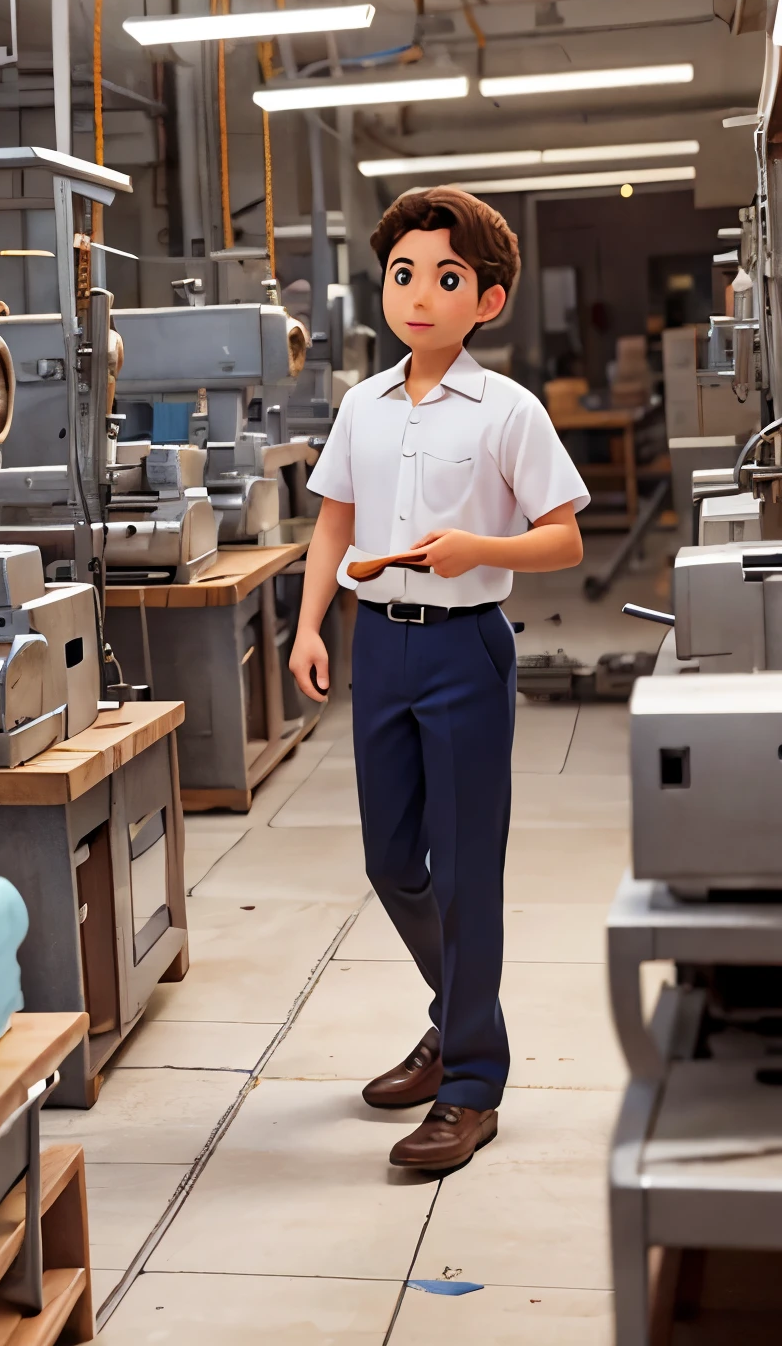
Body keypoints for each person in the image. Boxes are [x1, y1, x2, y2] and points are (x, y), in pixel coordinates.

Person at [289, 187, 589, 1173]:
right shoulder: (361, 406)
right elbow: (333, 522)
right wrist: (309, 628)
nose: (419, 295)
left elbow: (563, 539)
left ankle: (469, 1083)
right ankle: (459, 1015)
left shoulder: (508, 411)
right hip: (381, 646)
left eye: (446, 278)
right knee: (391, 863)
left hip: (466, 649)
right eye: (405, 274)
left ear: (487, 302)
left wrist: (477, 548)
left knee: (464, 875)